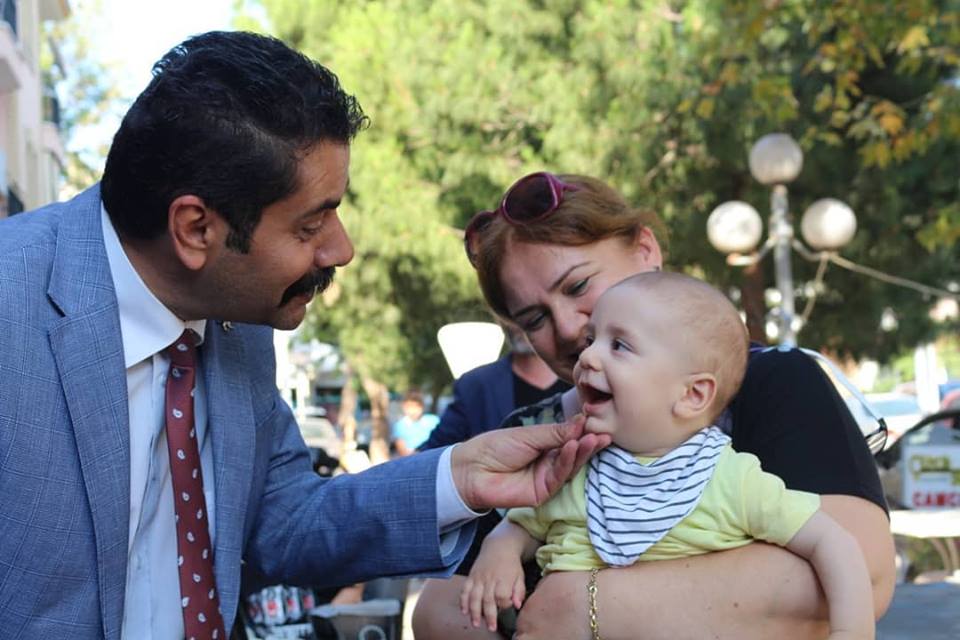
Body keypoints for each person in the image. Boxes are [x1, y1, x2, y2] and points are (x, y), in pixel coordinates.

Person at [0, 35, 610, 640]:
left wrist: (458, 479)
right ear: (195, 229)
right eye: (311, 224)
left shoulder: (236, 320)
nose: (340, 249)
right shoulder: (14, 305)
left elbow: (285, 522)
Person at [413, 172, 895, 640]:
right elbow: (444, 606)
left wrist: (585, 608)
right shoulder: (535, 437)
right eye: (534, 318)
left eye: (577, 286)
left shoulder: (772, 385)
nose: (567, 328)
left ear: (645, 250)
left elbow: (864, 568)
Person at [461, 272, 874, 639]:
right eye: (591, 340)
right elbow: (519, 526)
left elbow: (833, 543)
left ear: (692, 395)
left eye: (619, 345)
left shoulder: (730, 480)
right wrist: (499, 556)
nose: (587, 356)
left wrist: (851, 631)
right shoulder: (575, 468)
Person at [420, 325, 569, 450]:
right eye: (515, 311)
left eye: (535, 314)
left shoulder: (579, 375)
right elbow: (433, 453)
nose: (523, 323)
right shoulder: (475, 385)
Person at [392, 390, 440, 456]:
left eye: (417, 406)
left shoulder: (434, 420)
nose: (413, 410)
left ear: (422, 406)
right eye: (409, 407)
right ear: (403, 407)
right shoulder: (399, 426)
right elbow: (403, 452)